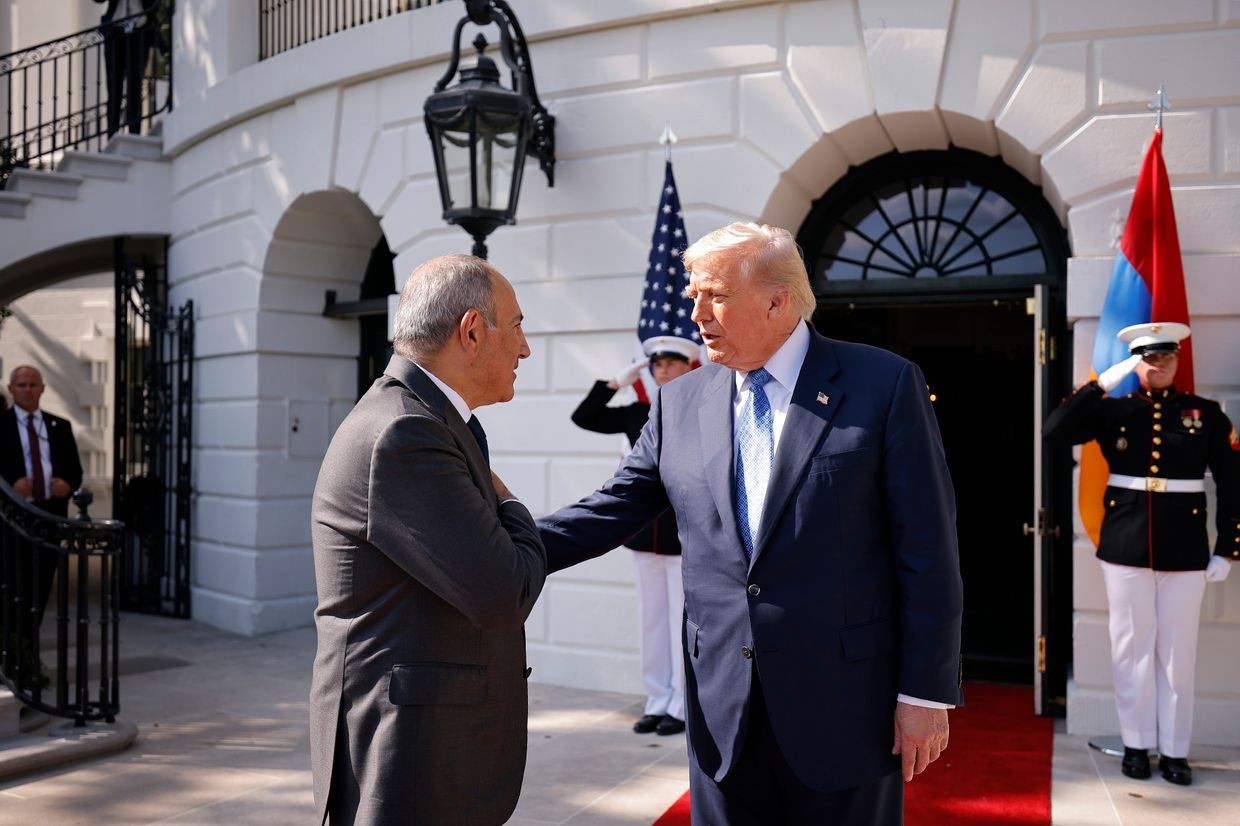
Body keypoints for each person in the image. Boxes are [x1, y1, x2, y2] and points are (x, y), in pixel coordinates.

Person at [539, 223, 963, 824]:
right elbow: (614, 506)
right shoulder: (679, 400)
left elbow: (927, 548)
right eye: (692, 296)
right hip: (721, 708)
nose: (696, 312)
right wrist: (503, 539)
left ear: (775, 300)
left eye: (712, 294)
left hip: (843, 704)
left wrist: (924, 692)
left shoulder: (882, 384)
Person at [309, 254, 547, 825]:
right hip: (412, 759)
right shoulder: (406, 431)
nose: (525, 348)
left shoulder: (431, 418)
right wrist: (513, 506)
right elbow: (503, 593)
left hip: (427, 746)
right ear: (471, 331)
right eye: (516, 326)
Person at [1044, 322, 1239, 786]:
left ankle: (1175, 752)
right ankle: (1136, 745)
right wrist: (1102, 382)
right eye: (1149, 358)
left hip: (1186, 548)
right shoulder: (1114, 411)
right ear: (1136, 363)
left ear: (1176, 359)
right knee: (1130, 650)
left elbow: (1234, 483)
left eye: (1166, 357)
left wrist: (1228, 549)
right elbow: (1055, 431)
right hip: (1126, 544)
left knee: (1177, 655)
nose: (1159, 365)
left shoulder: (1205, 414)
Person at [571, 335, 697, 736]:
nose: (663, 370)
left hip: (682, 532)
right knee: (652, 621)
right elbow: (585, 417)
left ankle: (682, 704)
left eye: (672, 364)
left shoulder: (698, 407)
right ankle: (657, 700)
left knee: (682, 621)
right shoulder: (636, 412)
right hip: (645, 532)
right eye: (657, 364)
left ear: (688, 367)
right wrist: (616, 382)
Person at [0, 365, 85, 683]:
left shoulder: (59, 426)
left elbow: (76, 472)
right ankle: (11, 663)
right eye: (21, 384)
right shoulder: (2, 425)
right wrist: (11, 486)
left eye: (33, 384)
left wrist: (68, 484)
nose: (27, 389)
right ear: (11, 388)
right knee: (12, 594)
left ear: (43, 388)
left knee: (38, 595)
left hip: (48, 522)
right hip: (12, 524)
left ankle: (29, 662)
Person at [95, 0, 159, 136]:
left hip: (140, 31)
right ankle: (112, 133)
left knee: (135, 86)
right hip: (115, 32)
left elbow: (155, 4)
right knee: (114, 87)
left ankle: (134, 132)